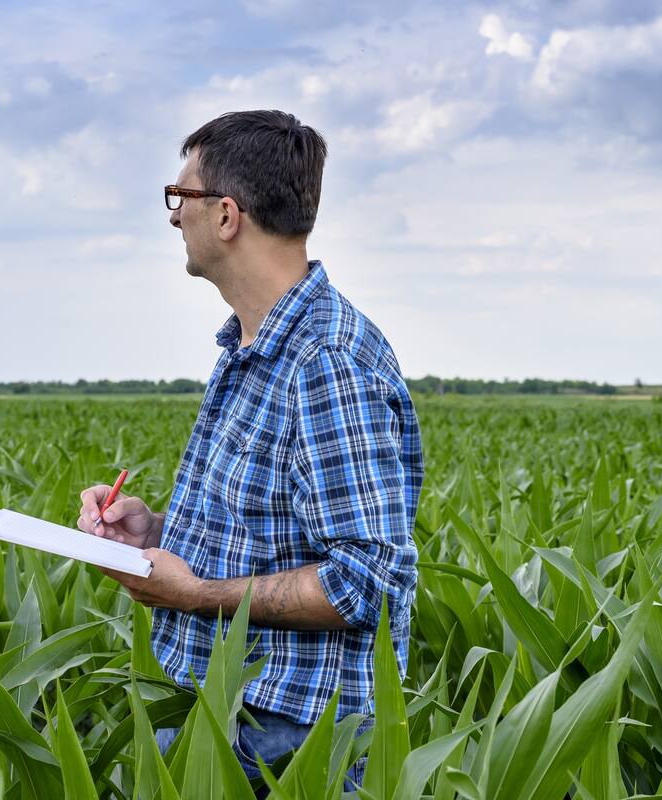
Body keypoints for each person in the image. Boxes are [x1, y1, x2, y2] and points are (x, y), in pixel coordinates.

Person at [76, 110, 422, 791]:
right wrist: (154, 533)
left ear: (227, 215)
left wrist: (197, 593)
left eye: (182, 198)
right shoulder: (251, 343)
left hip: (284, 743)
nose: (175, 217)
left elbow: (365, 582)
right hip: (223, 713)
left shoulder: (327, 361)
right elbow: (264, 533)